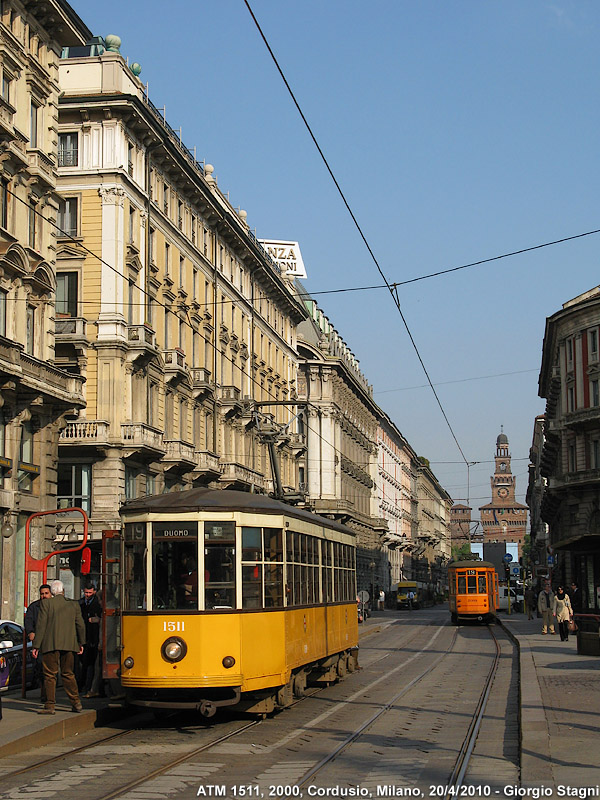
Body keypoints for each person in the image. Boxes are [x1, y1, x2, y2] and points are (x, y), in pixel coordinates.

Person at [32, 579, 86, 715]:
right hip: (69, 645)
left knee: (50, 675)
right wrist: (81, 643)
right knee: (68, 673)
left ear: (52, 592)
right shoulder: (73, 605)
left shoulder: (46, 604)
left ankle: (50, 706)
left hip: (50, 645)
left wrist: (36, 646)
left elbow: (41, 625)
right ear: (63, 591)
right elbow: (80, 625)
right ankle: (76, 703)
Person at [24, 584, 52, 704]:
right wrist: (31, 632)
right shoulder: (34, 607)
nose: (44, 596)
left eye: (46, 593)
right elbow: (29, 621)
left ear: (50, 594)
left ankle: (50, 694)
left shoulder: (54, 606)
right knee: (40, 667)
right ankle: (44, 693)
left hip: (52, 641)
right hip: (39, 642)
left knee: (51, 669)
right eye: (42, 594)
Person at [79, 582, 102, 695]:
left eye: (90, 592)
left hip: (94, 638)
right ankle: (84, 686)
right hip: (85, 637)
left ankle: (88, 686)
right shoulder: (81, 603)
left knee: (91, 664)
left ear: (94, 592)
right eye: (86, 592)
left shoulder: (97, 604)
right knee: (86, 663)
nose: (88, 595)